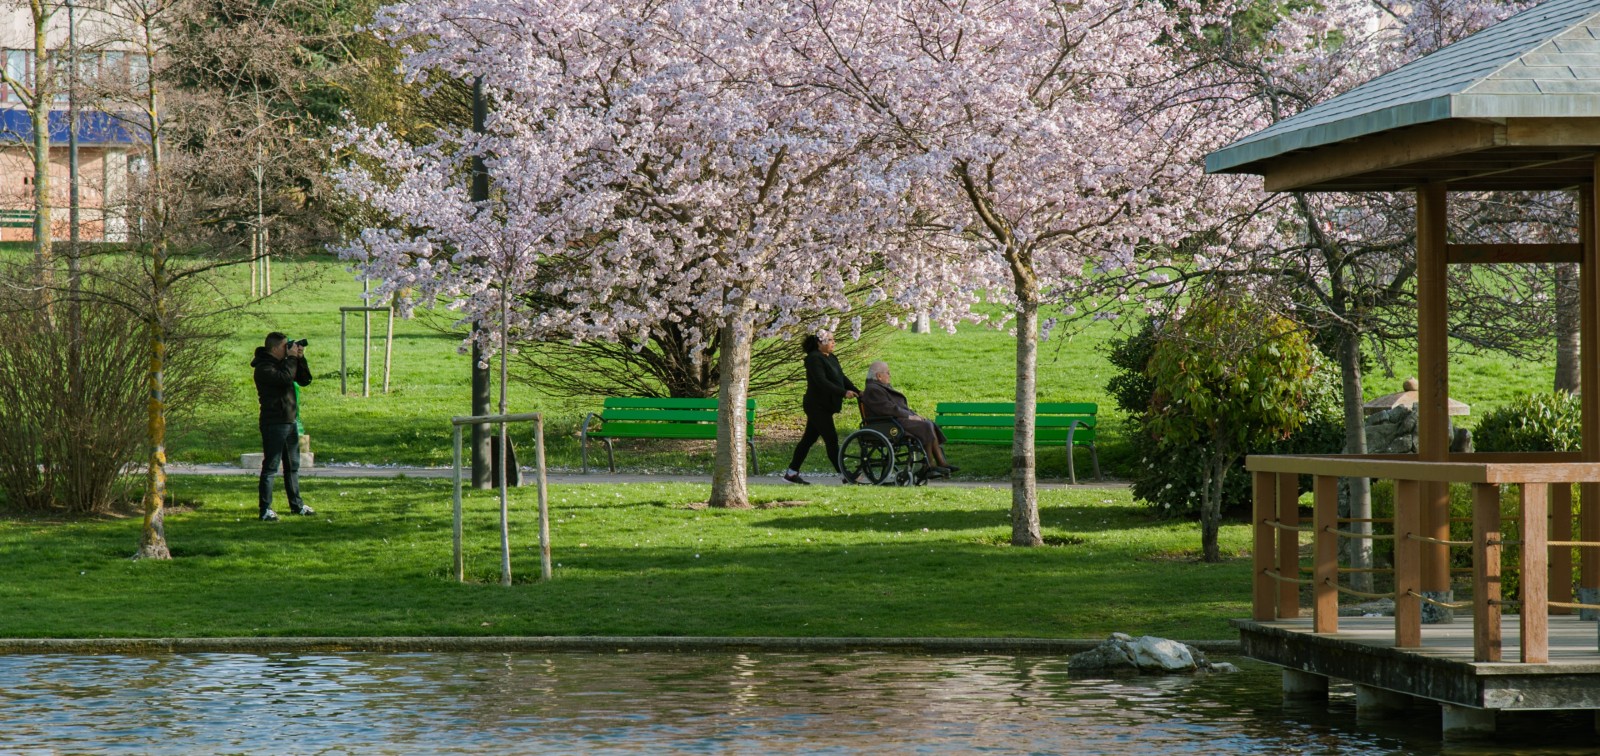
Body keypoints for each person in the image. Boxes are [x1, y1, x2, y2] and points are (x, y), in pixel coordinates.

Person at [252, 332, 315, 521]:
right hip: (274, 423)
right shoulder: (263, 368)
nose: (287, 349)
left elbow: (304, 380)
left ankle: (297, 505)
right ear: (274, 348)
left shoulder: (284, 363)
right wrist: (291, 358)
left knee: (292, 466)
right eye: (284, 346)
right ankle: (265, 509)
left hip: (290, 421)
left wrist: (300, 359)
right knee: (271, 466)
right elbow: (285, 379)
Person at [783, 331, 860, 485]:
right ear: (819, 343)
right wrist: (844, 393)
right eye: (830, 340)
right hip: (816, 406)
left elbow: (841, 377)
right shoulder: (813, 359)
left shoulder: (831, 357)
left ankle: (791, 473)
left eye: (833, 339)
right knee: (831, 439)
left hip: (826, 406)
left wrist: (857, 391)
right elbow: (822, 382)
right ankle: (845, 475)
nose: (834, 342)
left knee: (808, 439)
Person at [860, 360, 957, 478]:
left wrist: (915, 415)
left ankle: (941, 462)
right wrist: (910, 416)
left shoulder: (879, 387)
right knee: (925, 426)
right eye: (887, 372)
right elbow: (888, 409)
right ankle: (929, 465)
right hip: (888, 423)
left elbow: (897, 407)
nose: (890, 375)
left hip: (893, 420)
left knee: (927, 423)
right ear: (879, 376)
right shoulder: (873, 389)